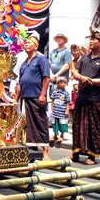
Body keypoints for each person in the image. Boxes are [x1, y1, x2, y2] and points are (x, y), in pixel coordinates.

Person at [72, 30, 100, 165]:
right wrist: (81, 77)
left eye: (94, 40)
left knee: (93, 127)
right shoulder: (84, 58)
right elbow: (75, 72)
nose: (91, 41)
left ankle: (92, 155)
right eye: (90, 39)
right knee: (77, 125)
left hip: (95, 98)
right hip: (81, 97)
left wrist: (92, 81)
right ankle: (76, 152)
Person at [15, 31, 51, 160]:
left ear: (35, 46)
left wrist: (43, 94)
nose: (26, 44)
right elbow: (20, 82)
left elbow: (46, 78)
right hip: (25, 97)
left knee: (40, 122)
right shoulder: (24, 63)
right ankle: (31, 149)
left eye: (29, 42)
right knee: (28, 124)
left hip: (37, 95)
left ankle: (46, 151)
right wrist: (15, 99)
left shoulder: (41, 59)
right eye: (25, 42)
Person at [50, 77, 70, 147]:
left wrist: (67, 110)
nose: (63, 84)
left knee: (62, 124)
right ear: (58, 84)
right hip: (55, 112)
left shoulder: (66, 93)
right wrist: (52, 109)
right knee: (55, 124)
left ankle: (62, 135)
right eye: (61, 82)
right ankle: (55, 135)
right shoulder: (55, 92)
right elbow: (52, 101)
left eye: (64, 82)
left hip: (62, 112)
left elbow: (68, 103)